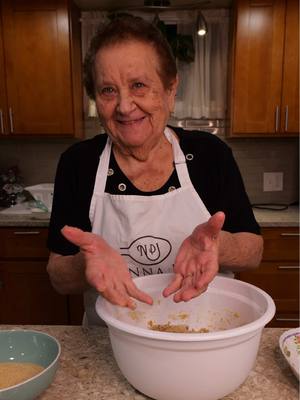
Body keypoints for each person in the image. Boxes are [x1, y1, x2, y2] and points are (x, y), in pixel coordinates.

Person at [46, 14, 263, 325]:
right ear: (95, 98)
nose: (123, 106)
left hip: (201, 331)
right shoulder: (78, 163)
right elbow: (57, 276)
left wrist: (220, 245)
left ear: (170, 90)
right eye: (108, 90)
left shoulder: (209, 154)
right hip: (110, 343)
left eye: (138, 85)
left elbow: (253, 251)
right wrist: (84, 264)